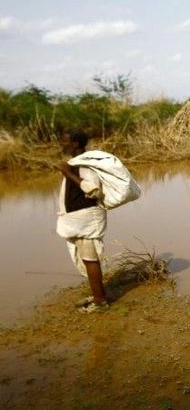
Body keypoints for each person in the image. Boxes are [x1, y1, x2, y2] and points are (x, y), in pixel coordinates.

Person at [56, 131, 109, 313]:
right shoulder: (77, 163)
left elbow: (93, 190)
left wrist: (67, 173)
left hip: (87, 219)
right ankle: (97, 295)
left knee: (90, 259)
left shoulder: (85, 163)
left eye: (65, 140)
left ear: (76, 143)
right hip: (80, 220)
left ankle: (100, 301)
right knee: (88, 259)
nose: (62, 143)